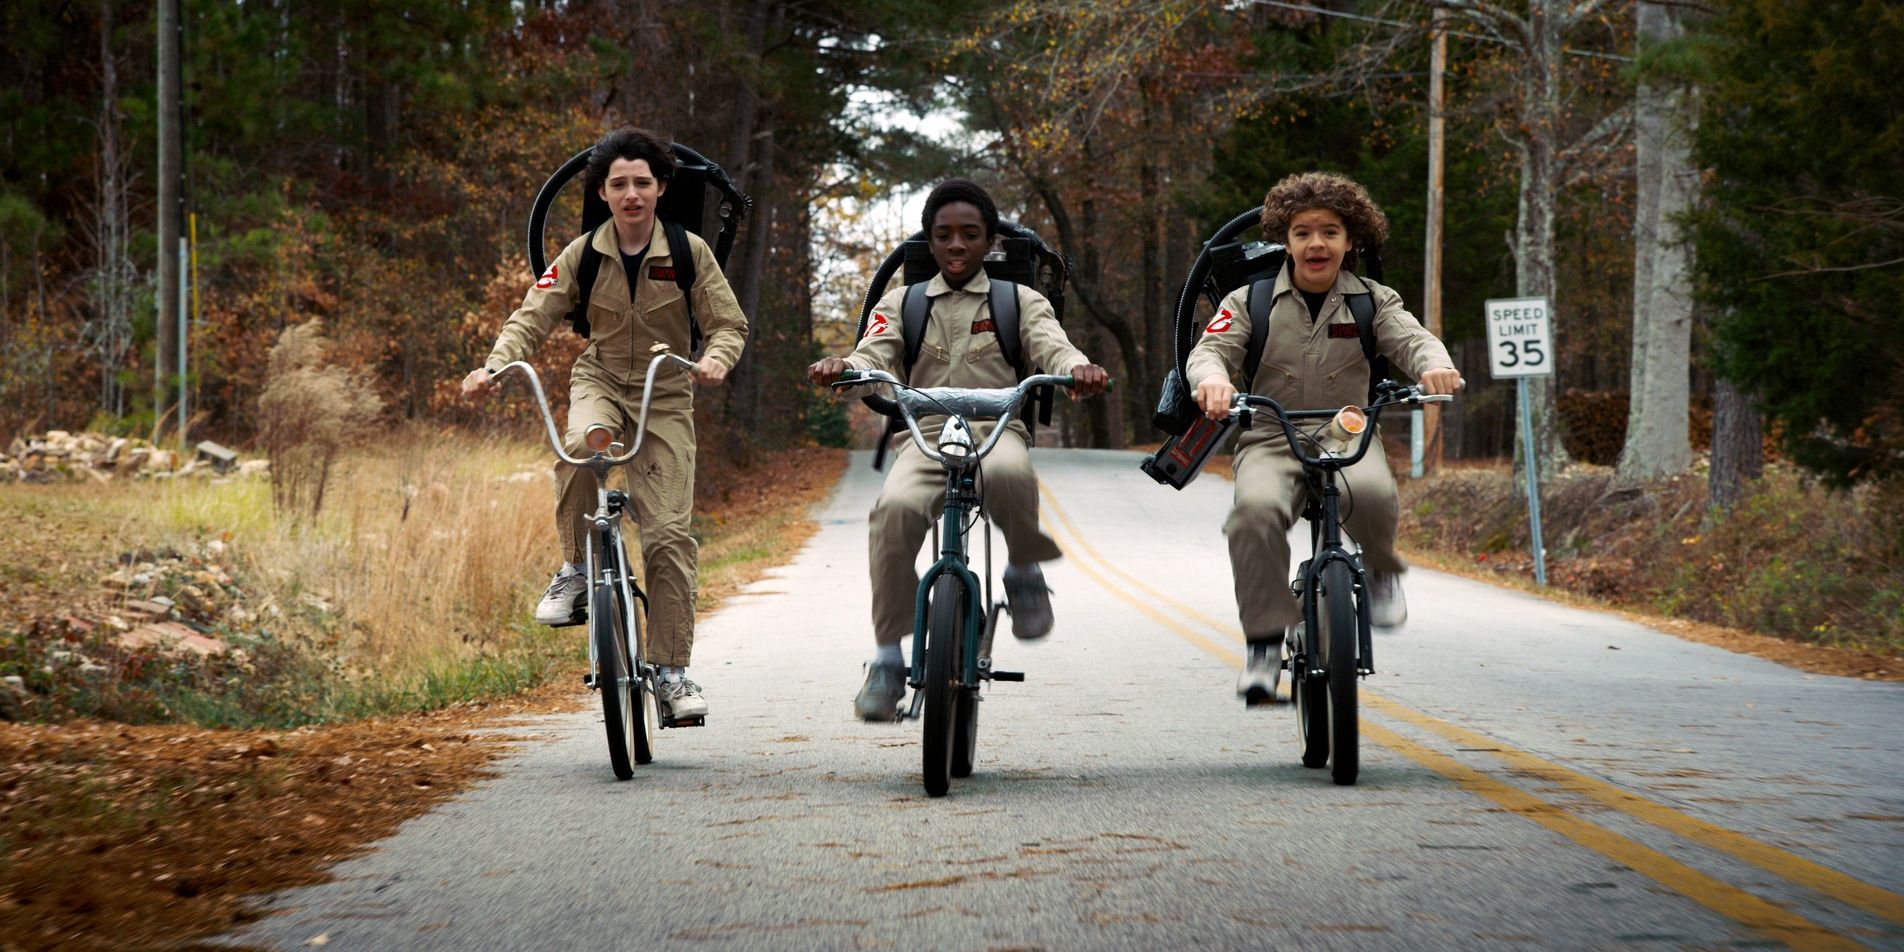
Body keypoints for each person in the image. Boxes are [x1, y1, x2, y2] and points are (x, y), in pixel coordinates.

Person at [459, 127, 747, 722]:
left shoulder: (690, 251)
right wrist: (493, 365)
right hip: (601, 381)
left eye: (643, 182)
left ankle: (671, 675)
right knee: (581, 450)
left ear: (662, 188)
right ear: (603, 193)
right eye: (619, 184)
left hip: (666, 392)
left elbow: (728, 324)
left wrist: (716, 359)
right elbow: (530, 317)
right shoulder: (582, 253)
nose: (632, 193)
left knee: (667, 537)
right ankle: (575, 570)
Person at [807, 179, 1110, 722]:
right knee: (893, 511)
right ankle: (885, 659)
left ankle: (1022, 571)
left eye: (969, 234)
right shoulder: (904, 302)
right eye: (943, 235)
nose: (956, 245)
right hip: (923, 436)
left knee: (1012, 476)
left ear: (988, 240)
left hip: (997, 430)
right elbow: (872, 354)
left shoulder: (1019, 300)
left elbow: (1053, 347)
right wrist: (845, 370)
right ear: (929, 241)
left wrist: (1077, 369)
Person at [1185, 171, 1461, 705]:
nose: (1317, 244)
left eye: (1330, 232)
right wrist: (1213, 381)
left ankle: (1380, 571)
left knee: (1375, 493)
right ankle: (1264, 644)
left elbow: (1415, 341)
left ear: (1350, 239)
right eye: (1303, 232)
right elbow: (1210, 351)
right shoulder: (1249, 301)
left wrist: (1436, 368)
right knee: (1254, 513)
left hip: (1345, 431)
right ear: (1285, 241)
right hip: (1270, 433)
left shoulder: (1372, 301)